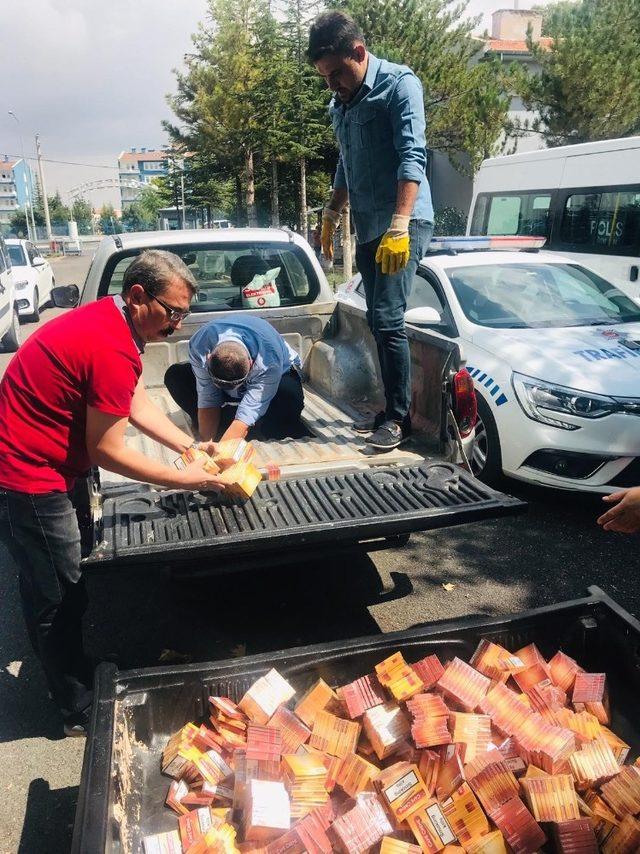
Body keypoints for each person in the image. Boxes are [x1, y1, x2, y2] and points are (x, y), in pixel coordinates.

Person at [0, 249, 223, 736]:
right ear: (138, 295)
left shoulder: (113, 322)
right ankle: (75, 706)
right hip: (30, 475)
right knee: (60, 595)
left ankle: (72, 668)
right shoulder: (109, 344)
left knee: (53, 579)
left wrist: (188, 446)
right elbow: (107, 451)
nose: (179, 326)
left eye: (185, 314)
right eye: (173, 313)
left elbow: (131, 396)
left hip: (53, 462)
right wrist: (199, 479)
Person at [308, 11, 434, 450]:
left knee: (387, 318)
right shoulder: (339, 104)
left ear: (358, 53)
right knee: (378, 324)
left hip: (405, 221)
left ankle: (400, 419)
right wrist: (331, 210)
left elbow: (411, 155)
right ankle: (390, 408)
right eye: (325, 78)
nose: (332, 85)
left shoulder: (400, 86)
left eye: (337, 74)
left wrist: (400, 224)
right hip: (367, 227)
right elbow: (346, 161)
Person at [165, 314, 305, 442]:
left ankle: (259, 425)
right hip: (229, 379)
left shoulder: (268, 358)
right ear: (208, 359)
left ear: (251, 364)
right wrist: (206, 444)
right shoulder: (200, 344)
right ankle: (221, 423)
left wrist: (222, 453)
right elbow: (208, 397)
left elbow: (251, 408)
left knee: (289, 398)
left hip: (278, 376)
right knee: (175, 376)